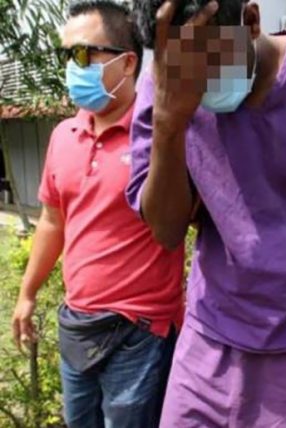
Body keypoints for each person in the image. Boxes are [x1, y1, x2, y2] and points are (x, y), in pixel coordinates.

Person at [129, 0, 286, 426]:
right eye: (186, 70)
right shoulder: (165, 85)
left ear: (250, 21)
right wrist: (169, 124)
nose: (199, 85)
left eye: (210, 61)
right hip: (208, 337)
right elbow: (167, 231)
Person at [10, 1, 184, 427]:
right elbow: (53, 221)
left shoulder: (160, 133)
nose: (72, 67)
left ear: (128, 63)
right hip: (78, 323)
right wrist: (27, 294)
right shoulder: (63, 135)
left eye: (83, 54)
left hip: (139, 329)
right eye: (66, 55)